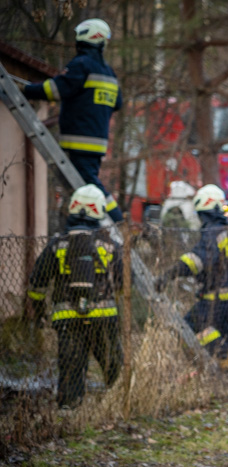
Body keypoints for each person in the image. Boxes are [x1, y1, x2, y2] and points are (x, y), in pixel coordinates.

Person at [26, 184, 124, 407]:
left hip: (67, 318)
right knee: (112, 364)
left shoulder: (57, 244)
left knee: (71, 368)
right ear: (98, 211)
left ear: (72, 209)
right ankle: (117, 405)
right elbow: (123, 283)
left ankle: (69, 411)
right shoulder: (110, 245)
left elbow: (37, 283)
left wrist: (40, 312)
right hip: (104, 316)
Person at [23, 18, 124, 223]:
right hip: (97, 143)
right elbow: (118, 103)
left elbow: (56, 89)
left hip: (77, 140)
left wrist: (25, 89)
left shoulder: (81, 65)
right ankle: (103, 220)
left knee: (91, 186)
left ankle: (116, 219)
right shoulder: (109, 73)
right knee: (88, 184)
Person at [154, 184, 228, 376]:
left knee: (191, 324)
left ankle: (223, 355)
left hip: (218, 296)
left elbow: (198, 259)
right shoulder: (227, 227)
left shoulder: (213, 231)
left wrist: (170, 274)